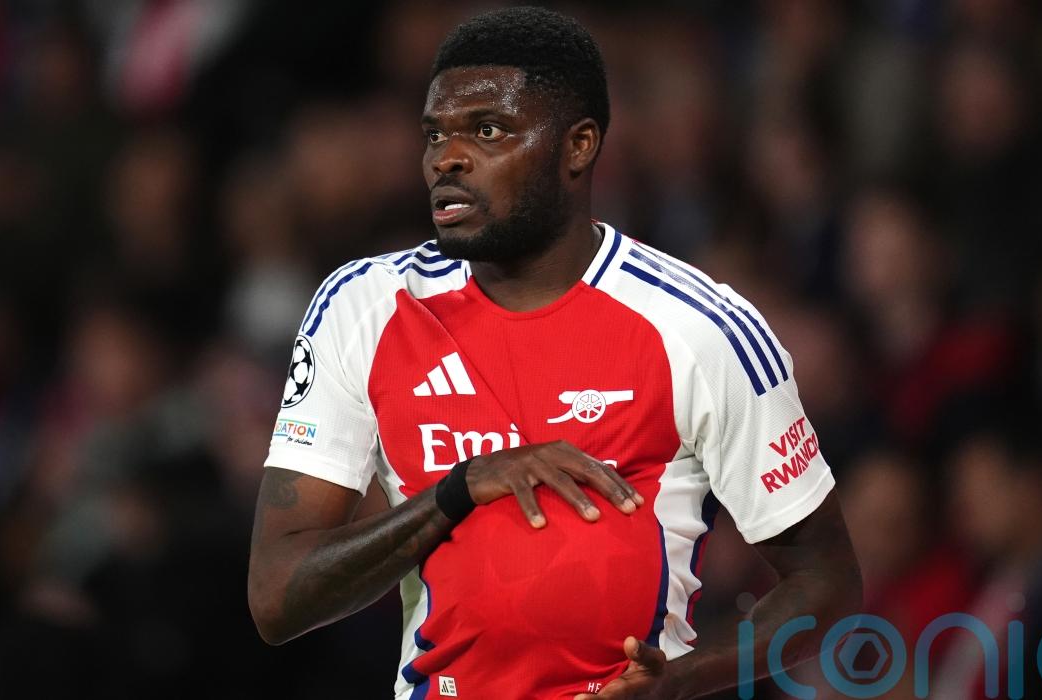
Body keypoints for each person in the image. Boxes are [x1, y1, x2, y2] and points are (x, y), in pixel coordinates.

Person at [248, 7, 861, 699]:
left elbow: (827, 580)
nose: (446, 158)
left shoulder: (700, 328)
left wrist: (681, 681)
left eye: (487, 130)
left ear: (579, 146)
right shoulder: (363, 307)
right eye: (435, 134)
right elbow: (277, 597)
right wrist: (458, 490)